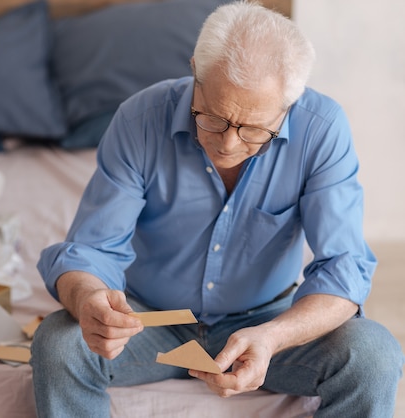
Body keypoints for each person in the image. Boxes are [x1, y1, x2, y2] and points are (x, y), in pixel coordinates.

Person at [30, 1, 404, 417]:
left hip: (267, 320)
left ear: (289, 103)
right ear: (196, 70)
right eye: (212, 118)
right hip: (148, 319)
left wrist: (273, 337)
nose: (228, 144)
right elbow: (91, 250)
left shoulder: (322, 129)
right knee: (59, 341)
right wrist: (90, 302)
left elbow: (344, 268)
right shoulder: (139, 119)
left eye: (254, 129)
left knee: (373, 354)